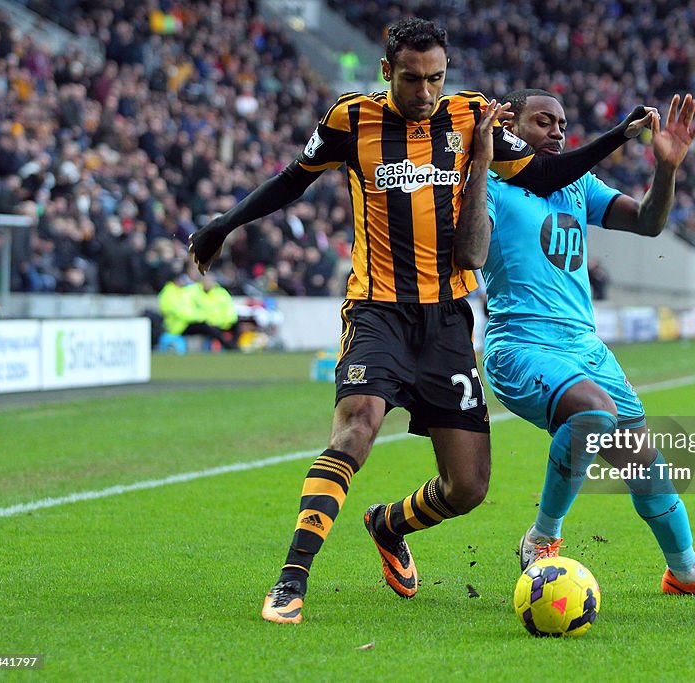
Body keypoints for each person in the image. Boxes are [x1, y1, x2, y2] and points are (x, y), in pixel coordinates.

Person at [187, 18, 656, 623]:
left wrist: (621, 134)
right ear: (387, 72)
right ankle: (290, 579)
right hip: (377, 310)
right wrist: (223, 224)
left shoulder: (471, 116)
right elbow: (289, 182)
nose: (426, 92)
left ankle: (388, 524)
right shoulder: (348, 120)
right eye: (413, 80)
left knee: (468, 488)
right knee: (356, 429)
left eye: (436, 78)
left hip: (448, 323)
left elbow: (545, 174)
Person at [462, 89, 695, 598]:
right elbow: (472, 253)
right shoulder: (488, 184)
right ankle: (543, 537)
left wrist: (666, 168)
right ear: (510, 124)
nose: (557, 130)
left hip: (585, 347)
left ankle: (684, 574)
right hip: (521, 345)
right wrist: (478, 167)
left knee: (643, 459)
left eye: (562, 122)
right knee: (593, 414)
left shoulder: (576, 183)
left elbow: (648, 222)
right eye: (543, 121)